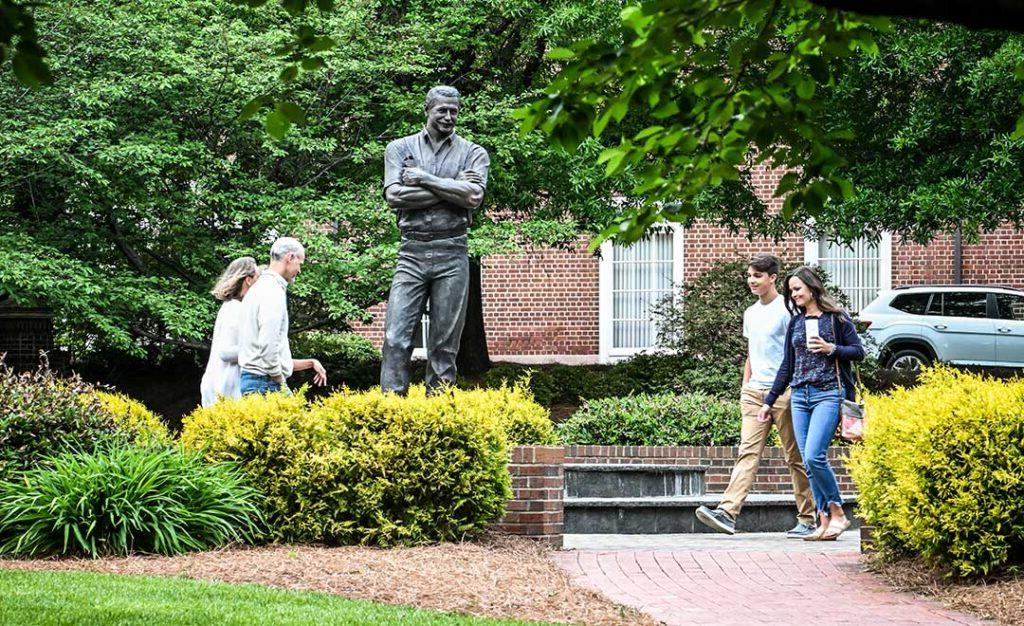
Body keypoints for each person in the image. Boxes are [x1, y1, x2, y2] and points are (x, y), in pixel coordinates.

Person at [695, 255, 817, 537]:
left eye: (758, 276)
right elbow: (752, 352)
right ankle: (727, 512)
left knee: (795, 457)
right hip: (754, 393)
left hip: (785, 392)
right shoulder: (750, 313)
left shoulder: (787, 312)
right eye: (749, 275)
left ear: (773, 278)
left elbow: (798, 352)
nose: (751, 280)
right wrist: (745, 385)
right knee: (747, 452)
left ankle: (808, 518)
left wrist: (790, 386)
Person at [380, 85, 490, 395]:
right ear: (427, 110)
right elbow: (394, 196)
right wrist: (450, 190)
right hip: (411, 252)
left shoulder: (473, 152)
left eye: (454, 111)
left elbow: (472, 195)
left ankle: (438, 413)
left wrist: (424, 179)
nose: (448, 116)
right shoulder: (399, 148)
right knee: (396, 337)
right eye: (442, 110)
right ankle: (391, 411)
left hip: (452, 251)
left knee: (445, 343)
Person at [758, 265, 865, 541]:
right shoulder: (795, 323)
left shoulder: (836, 319)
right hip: (800, 396)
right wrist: (769, 401)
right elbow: (787, 365)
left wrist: (832, 349)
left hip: (828, 394)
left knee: (815, 455)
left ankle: (838, 512)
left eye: (797, 289)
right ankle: (824, 519)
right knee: (807, 460)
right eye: (790, 291)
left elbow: (858, 352)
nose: (793, 294)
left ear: (811, 288)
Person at [238, 237, 327, 396]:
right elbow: (268, 345)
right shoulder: (273, 291)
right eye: (300, 263)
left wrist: (309, 363)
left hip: (256, 380)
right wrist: (279, 379)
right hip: (265, 382)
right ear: (290, 257)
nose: (299, 270)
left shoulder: (259, 287)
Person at [200, 256, 259, 407]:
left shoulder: (229, 307)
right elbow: (226, 352)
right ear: (248, 280)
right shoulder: (236, 309)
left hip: (219, 386)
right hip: (225, 389)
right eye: (258, 277)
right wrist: (260, 350)